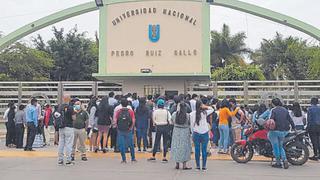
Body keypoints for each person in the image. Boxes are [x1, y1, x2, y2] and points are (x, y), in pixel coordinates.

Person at [268, 98, 295, 169]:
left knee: (275, 147)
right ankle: (285, 160)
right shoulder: (285, 110)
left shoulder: (273, 110)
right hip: (284, 131)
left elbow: (271, 120)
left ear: (273, 104)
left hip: (275, 131)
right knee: (281, 146)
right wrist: (294, 128)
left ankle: (278, 163)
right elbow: (290, 119)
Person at [190, 100, 214, 171]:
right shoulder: (205, 113)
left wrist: (192, 133)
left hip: (196, 133)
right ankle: (204, 166)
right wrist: (205, 106)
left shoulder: (192, 114)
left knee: (197, 150)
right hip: (205, 133)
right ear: (201, 105)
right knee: (204, 150)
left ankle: (197, 166)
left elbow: (191, 125)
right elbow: (212, 109)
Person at [114, 98, 137, 163]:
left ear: (121, 104)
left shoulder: (118, 111)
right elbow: (133, 120)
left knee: (122, 145)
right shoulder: (130, 111)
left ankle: (124, 159)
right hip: (128, 130)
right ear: (128, 104)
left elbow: (115, 121)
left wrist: (117, 127)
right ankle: (133, 158)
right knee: (131, 144)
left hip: (120, 130)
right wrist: (131, 127)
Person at [171, 102, 192, 170]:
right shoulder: (187, 115)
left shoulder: (174, 114)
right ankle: (184, 165)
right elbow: (189, 123)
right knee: (184, 147)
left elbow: (172, 121)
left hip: (176, 131)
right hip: (185, 131)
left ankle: (177, 164)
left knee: (176, 146)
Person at [57, 94, 75, 165]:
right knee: (68, 144)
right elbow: (74, 118)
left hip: (61, 127)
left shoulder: (59, 107)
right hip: (69, 127)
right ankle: (68, 160)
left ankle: (60, 159)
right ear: (69, 99)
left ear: (63, 98)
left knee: (61, 143)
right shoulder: (70, 108)